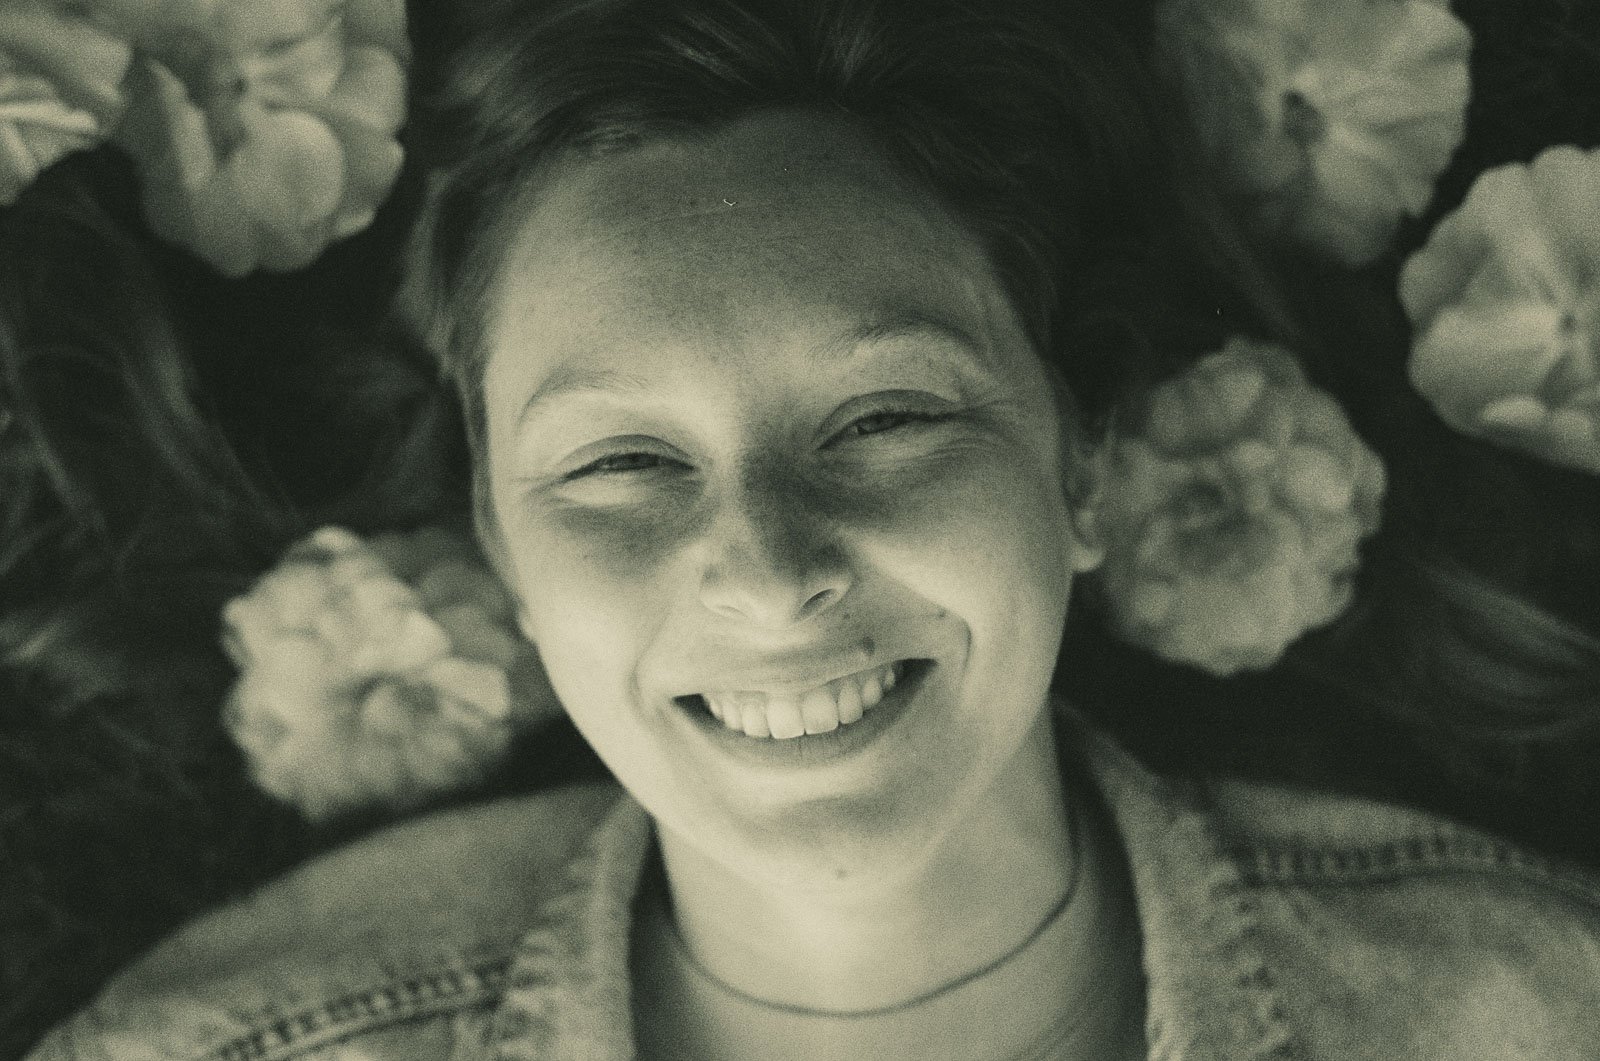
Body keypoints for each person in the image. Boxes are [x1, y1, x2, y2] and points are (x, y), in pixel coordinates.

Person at [21, 0, 1600, 1058]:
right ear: (501, 545)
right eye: (623, 462)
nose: (773, 571)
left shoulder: (1535, 1006)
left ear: (1084, 464)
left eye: (886, 420)